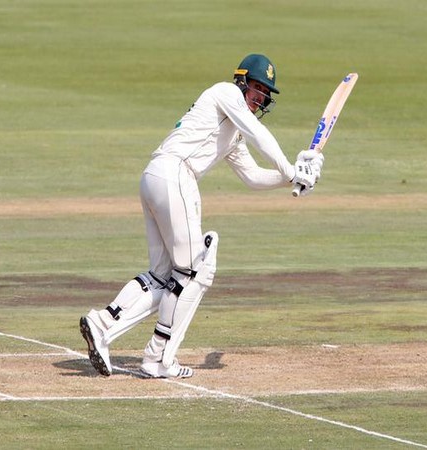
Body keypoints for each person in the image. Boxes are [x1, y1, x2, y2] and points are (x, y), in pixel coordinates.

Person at [79, 53, 324, 379]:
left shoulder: (232, 129)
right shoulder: (225, 93)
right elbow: (257, 134)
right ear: (241, 81)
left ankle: (103, 322)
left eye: (265, 93)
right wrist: (292, 168)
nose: (260, 97)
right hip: (175, 175)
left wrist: (293, 178)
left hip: (156, 177)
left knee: (164, 274)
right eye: (256, 88)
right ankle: (158, 358)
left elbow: (251, 177)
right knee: (196, 270)